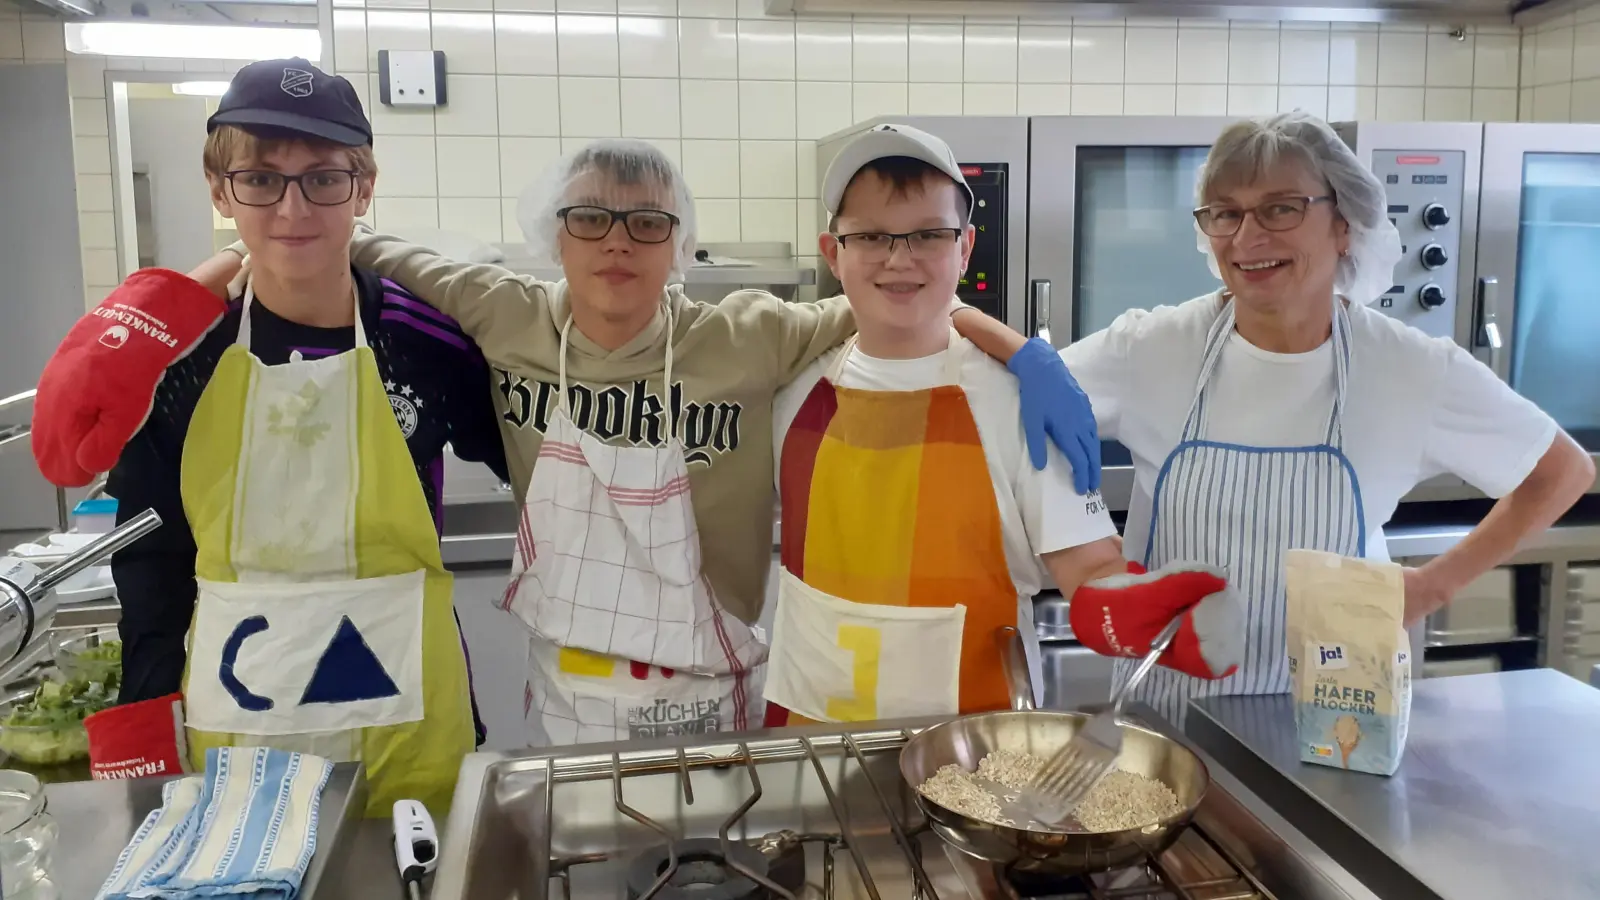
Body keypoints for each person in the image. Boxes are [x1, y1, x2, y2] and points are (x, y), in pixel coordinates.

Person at [42, 138, 1105, 747]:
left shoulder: (754, 334)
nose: (615, 244)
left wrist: (1023, 351)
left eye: (646, 223)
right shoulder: (499, 313)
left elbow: (898, 294)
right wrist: (155, 306)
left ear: (679, 245)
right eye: (589, 219)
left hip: (717, 698)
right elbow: (319, 231)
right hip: (568, 705)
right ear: (551, 234)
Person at [31, 59, 508, 813]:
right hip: (238, 734)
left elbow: (538, 462)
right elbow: (149, 555)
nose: (293, 209)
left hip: (412, 727)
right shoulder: (182, 358)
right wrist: (143, 728)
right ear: (221, 189)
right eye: (261, 178)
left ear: (364, 185)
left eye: (323, 177)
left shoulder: (425, 340)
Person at [1062, 112, 1594, 725]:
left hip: (1335, 721)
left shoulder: (1409, 368)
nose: (1246, 238)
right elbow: (1010, 413)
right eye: (1225, 213)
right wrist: (1094, 563)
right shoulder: (1150, 349)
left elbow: (1563, 472)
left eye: (1281, 208)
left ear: (1345, 224)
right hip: (1167, 718)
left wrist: (1429, 587)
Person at [762, 124, 1245, 725]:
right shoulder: (791, 389)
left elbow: (1090, 568)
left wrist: (1149, 615)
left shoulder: (1023, 400)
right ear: (834, 254)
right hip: (806, 750)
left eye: (928, 235)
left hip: (978, 760)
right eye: (871, 236)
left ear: (964, 248)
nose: (898, 258)